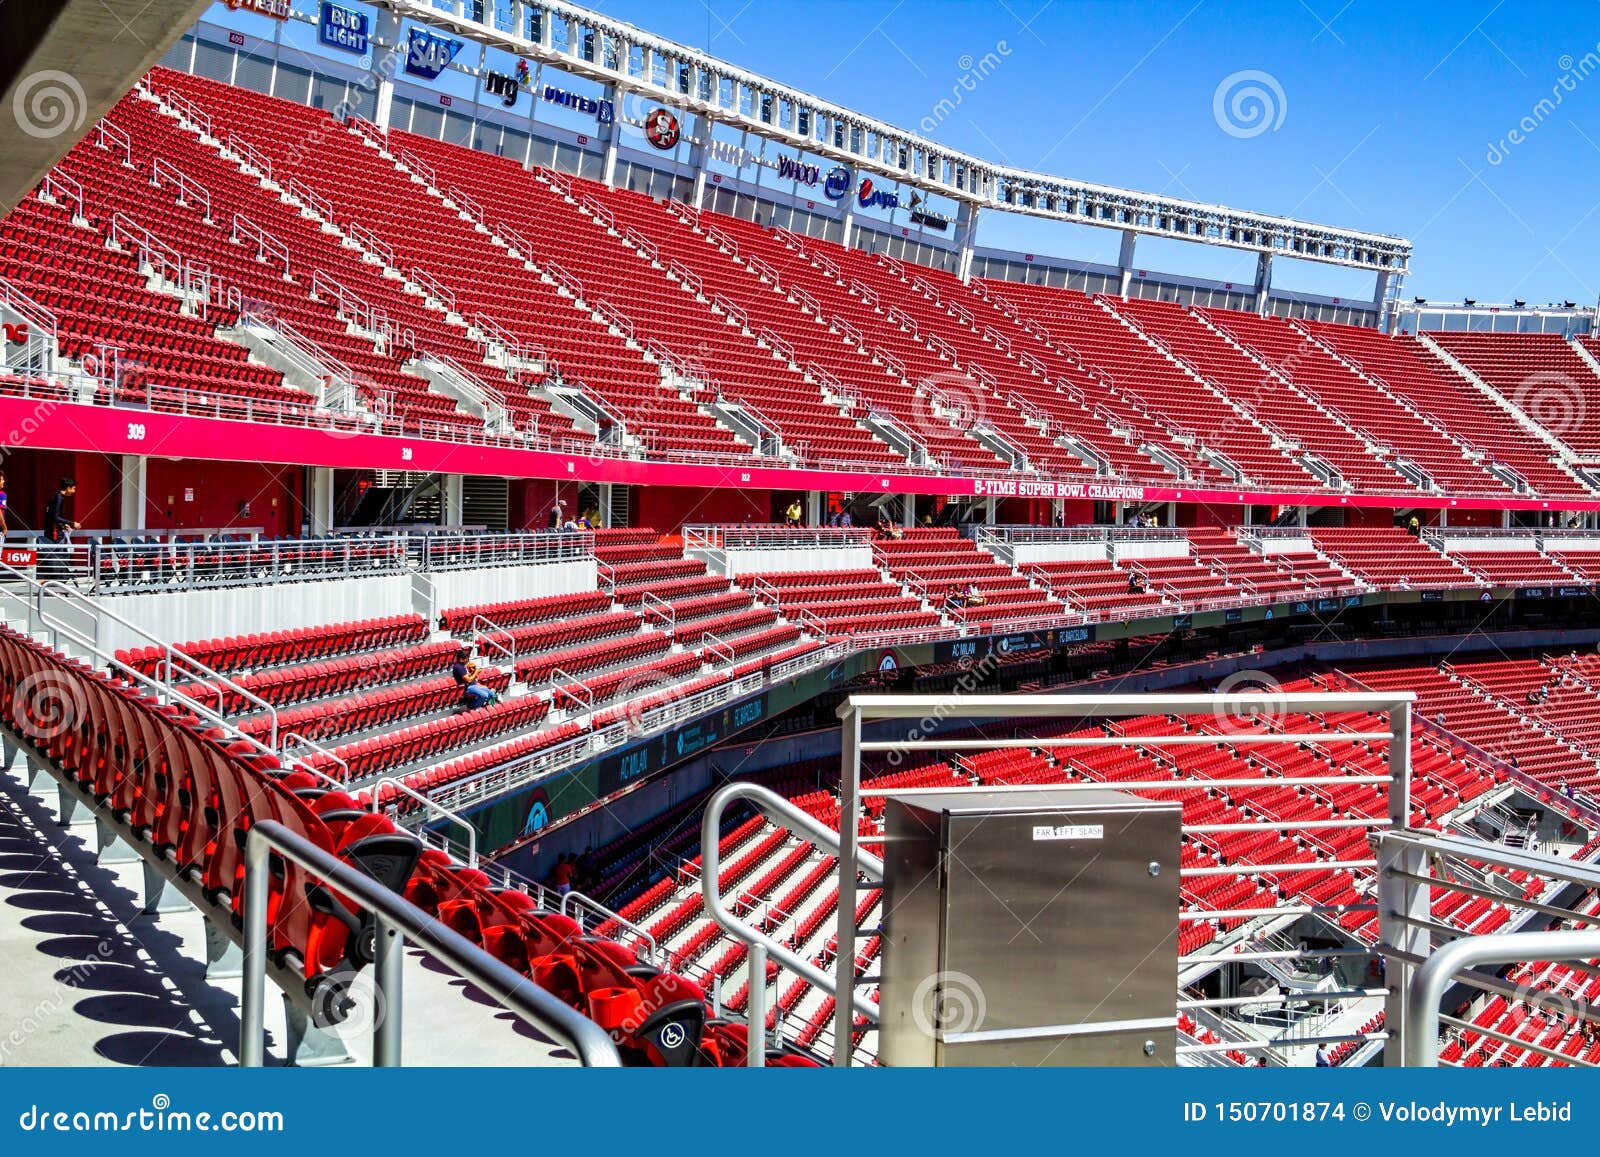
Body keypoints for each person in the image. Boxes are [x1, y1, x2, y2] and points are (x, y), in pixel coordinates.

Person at [41, 476, 78, 582]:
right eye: (74, 488)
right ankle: (57, 580)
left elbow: (54, 517)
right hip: (55, 533)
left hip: (55, 530)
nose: (74, 491)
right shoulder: (59, 498)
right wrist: (72, 523)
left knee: (59, 555)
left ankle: (56, 579)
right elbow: (55, 517)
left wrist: (64, 525)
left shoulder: (56, 497)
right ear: (68, 488)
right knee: (59, 556)